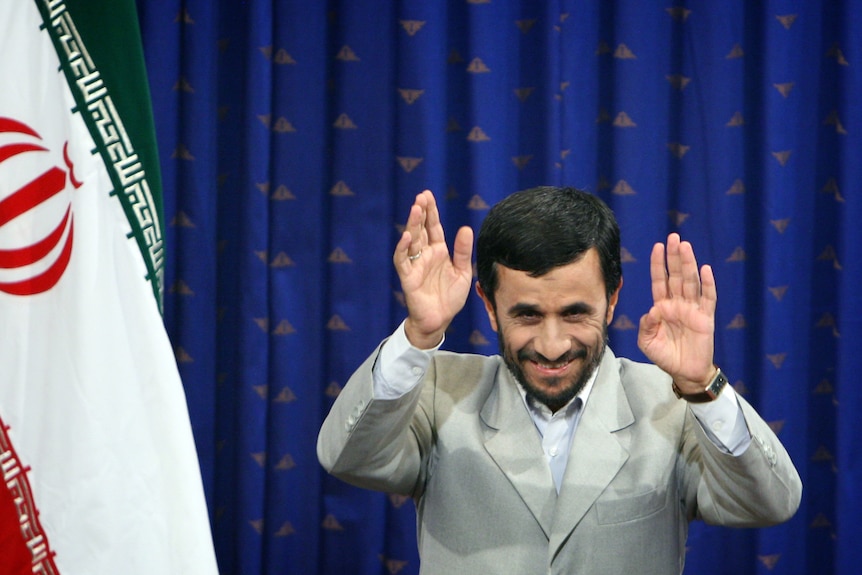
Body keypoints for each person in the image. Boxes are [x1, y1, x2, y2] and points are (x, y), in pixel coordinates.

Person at [317, 186, 801, 574]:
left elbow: (768, 503)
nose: (552, 345)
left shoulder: (672, 403)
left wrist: (703, 385)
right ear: (488, 305)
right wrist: (419, 336)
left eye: (575, 314)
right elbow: (349, 457)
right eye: (527, 315)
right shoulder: (439, 386)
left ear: (612, 300)